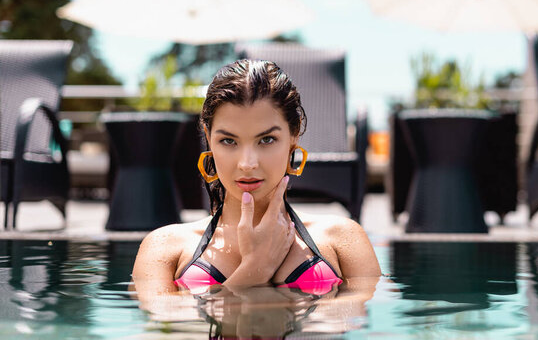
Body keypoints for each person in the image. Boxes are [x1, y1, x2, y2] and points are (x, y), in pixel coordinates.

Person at [132, 59, 380, 300]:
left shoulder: (343, 238)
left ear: (293, 137)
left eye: (266, 140)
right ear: (208, 138)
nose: (247, 163)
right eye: (228, 141)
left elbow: (359, 319)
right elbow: (162, 324)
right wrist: (255, 271)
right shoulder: (165, 247)